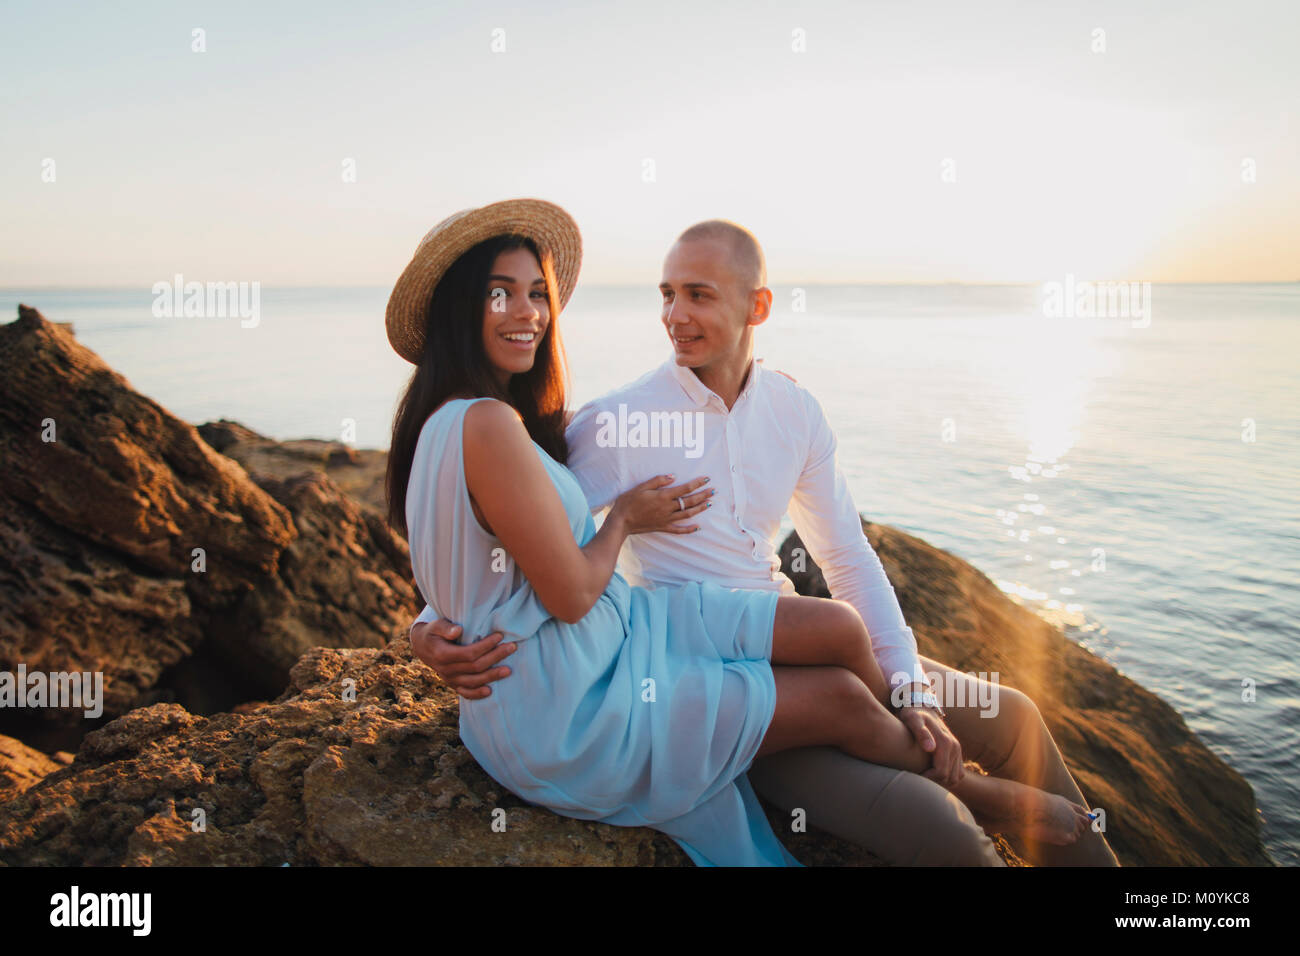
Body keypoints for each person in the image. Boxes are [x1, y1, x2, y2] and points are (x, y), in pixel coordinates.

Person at [409, 212, 1121, 867]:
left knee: (1018, 717)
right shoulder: (617, 423)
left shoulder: (792, 409)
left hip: (798, 636)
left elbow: (846, 558)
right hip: (708, 680)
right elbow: (511, 533)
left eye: (698, 295)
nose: (674, 316)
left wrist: (908, 689)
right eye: (666, 295)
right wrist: (431, 624)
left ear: (758, 307)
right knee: (947, 830)